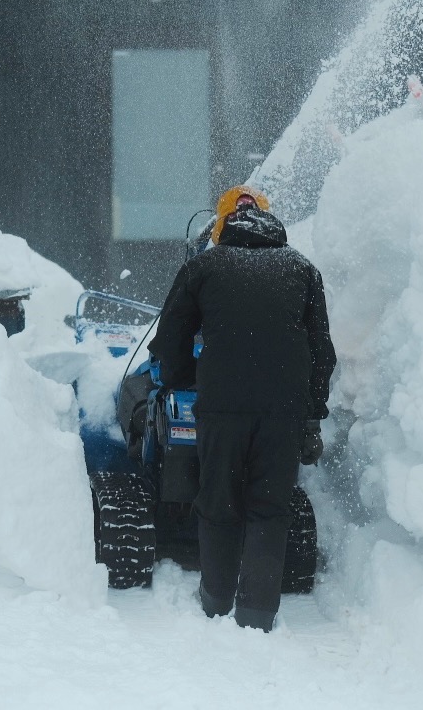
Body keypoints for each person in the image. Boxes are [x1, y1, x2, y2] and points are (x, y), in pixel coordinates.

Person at [149, 187, 337, 632]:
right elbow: (321, 351)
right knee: (270, 508)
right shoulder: (301, 270)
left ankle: (215, 601)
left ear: (221, 226)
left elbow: (170, 335)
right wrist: (311, 415)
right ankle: (257, 614)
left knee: (219, 501)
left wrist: (180, 381)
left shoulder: (205, 266)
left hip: (221, 408)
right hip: (283, 411)